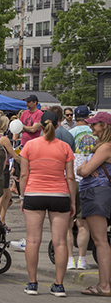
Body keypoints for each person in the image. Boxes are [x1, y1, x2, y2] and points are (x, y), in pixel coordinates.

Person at [19, 110, 75, 297]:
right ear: (58, 124)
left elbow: (24, 175)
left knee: (33, 240)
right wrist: (72, 201)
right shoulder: (65, 147)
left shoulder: (29, 146)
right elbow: (70, 177)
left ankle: (32, 283)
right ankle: (59, 285)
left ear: (40, 126)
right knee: (60, 242)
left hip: (34, 193)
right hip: (60, 194)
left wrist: (22, 196)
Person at [76, 111, 111, 296]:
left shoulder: (105, 147)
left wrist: (84, 168)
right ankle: (104, 284)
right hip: (95, 193)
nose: (91, 127)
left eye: (95, 124)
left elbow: (84, 170)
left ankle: (105, 286)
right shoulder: (101, 146)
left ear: (104, 126)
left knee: (100, 241)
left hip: (97, 193)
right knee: (99, 240)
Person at [68, 106, 94, 270]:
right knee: (83, 223)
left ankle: (70, 258)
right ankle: (82, 259)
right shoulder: (95, 133)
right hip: (90, 178)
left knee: (68, 223)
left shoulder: (70, 133)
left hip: (72, 179)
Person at [0, 115, 21, 228]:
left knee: (7, 195)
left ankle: (2, 220)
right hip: (3, 168)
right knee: (2, 196)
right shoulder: (3, 139)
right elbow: (13, 154)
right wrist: (23, 161)